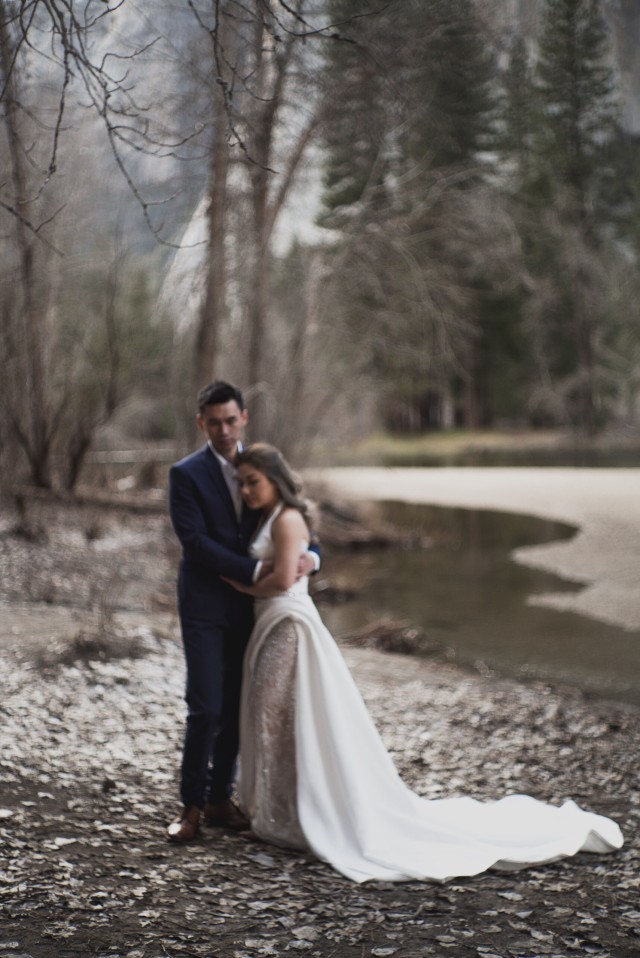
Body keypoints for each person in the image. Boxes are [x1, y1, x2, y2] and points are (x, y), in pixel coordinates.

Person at [223, 442, 624, 883]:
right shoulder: (264, 516)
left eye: (253, 482)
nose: (246, 490)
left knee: (273, 713)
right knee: (274, 715)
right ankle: (280, 811)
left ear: (275, 479)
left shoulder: (287, 519)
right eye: (242, 483)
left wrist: (236, 583)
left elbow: (283, 578)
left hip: (286, 622)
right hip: (272, 620)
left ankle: (287, 814)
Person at [167, 383, 319, 842]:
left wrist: (313, 557)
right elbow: (195, 542)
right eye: (214, 422)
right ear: (201, 423)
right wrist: (254, 570)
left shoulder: (259, 465)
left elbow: (294, 515)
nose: (223, 430)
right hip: (205, 605)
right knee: (205, 705)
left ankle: (220, 797)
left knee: (237, 705)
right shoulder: (186, 474)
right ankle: (191, 807)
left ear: (244, 418)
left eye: (231, 420)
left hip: (252, 610)